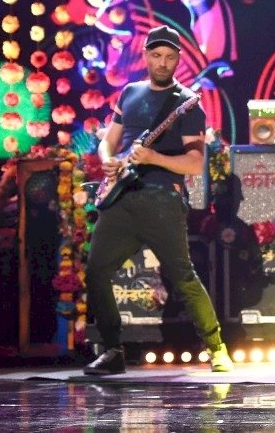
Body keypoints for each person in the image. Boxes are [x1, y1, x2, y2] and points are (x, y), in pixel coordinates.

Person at [82, 25, 233, 375]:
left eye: (169, 57)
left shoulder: (186, 103)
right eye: (156, 55)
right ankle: (113, 350)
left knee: (182, 276)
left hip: (162, 201)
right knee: (96, 271)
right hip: (121, 198)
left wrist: (154, 158)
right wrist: (108, 159)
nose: (163, 63)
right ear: (146, 56)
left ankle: (217, 348)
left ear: (178, 59)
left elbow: (194, 163)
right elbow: (110, 140)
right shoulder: (130, 93)